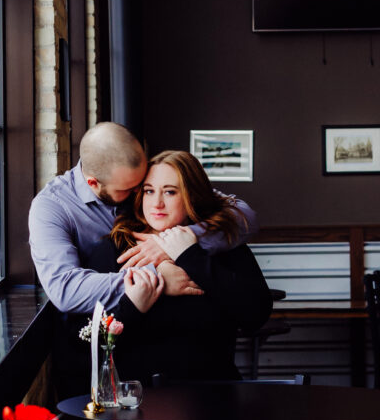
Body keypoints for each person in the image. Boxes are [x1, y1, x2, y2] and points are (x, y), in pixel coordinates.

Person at [61, 150, 272, 393]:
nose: (157, 203)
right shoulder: (116, 248)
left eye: (170, 192)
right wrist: (133, 306)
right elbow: (80, 341)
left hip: (213, 398)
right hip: (138, 400)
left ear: (193, 195)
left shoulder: (222, 247)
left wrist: (189, 255)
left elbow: (256, 315)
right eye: (149, 191)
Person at [28, 122, 258, 314]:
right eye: (135, 189)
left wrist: (179, 242)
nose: (143, 194)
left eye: (145, 185)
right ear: (93, 183)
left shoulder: (138, 177)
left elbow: (243, 214)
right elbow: (65, 290)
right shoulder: (52, 208)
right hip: (109, 328)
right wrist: (155, 277)